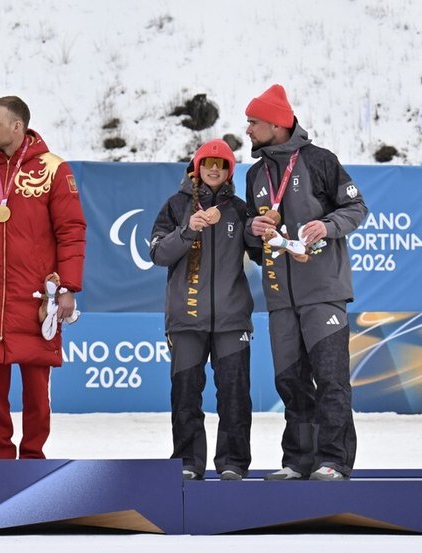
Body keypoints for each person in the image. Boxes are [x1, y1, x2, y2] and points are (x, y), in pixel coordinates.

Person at [0, 96, 87, 459]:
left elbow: (71, 231)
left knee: (37, 390)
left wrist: (68, 287)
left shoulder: (54, 170)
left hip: (38, 299)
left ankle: (32, 457)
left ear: (17, 126)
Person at [244, 84, 367, 481]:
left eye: (253, 122)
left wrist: (327, 225)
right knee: (291, 382)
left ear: (277, 125)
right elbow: (253, 242)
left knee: (330, 379)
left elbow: (356, 207)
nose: (247, 129)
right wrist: (254, 228)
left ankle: (333, 460)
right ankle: (298, 460)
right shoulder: (254, 174)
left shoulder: (320, 161)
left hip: (323, 293)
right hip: (280, 297)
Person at [150, 139, 259, 481]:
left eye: (222, 164)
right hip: (186, 320)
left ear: (230, 171)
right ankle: (188, 463)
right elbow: (158, 254)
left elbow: (259, 253)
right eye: (208, 163)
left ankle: (233, 463)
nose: (215, 169)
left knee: (235, 394)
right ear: (197, 167)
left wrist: (262, 231)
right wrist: (188, 229)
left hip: (231, 320)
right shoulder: (175, 206)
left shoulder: (240, 210)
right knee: (185, 395)